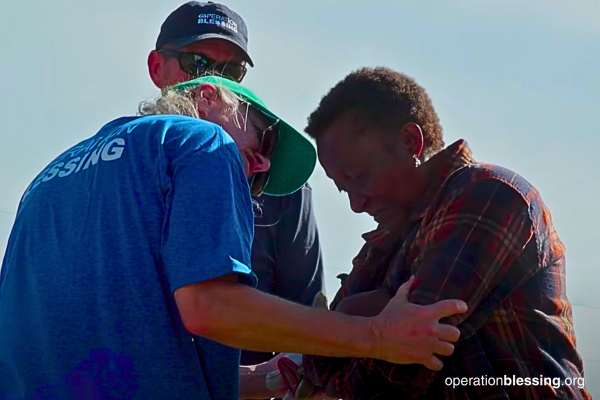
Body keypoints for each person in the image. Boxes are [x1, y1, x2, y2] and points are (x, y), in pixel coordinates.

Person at [0, 75, 468, 400]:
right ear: (208, 99)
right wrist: (375, 336)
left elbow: (108, 350)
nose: (260, 168)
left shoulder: (43, 183)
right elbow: (208, 308)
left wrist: (257, 380)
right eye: (262, 143)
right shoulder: (203, 142)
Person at [287, 66, 591, 399]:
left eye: (358, 176)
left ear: (410, 141)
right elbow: (327, 349)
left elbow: (404, 362)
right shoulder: (390, 238)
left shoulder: (489, 195)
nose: (356, 205)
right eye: (344, 190)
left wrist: (337, 360)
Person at [147, 1, 326, 368]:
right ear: (156, 67)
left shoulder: (274, 180)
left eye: (231, 70)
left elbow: (307, 317)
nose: (213, 80)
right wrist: (374, 335)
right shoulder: (119, 172)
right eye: (199, 63)